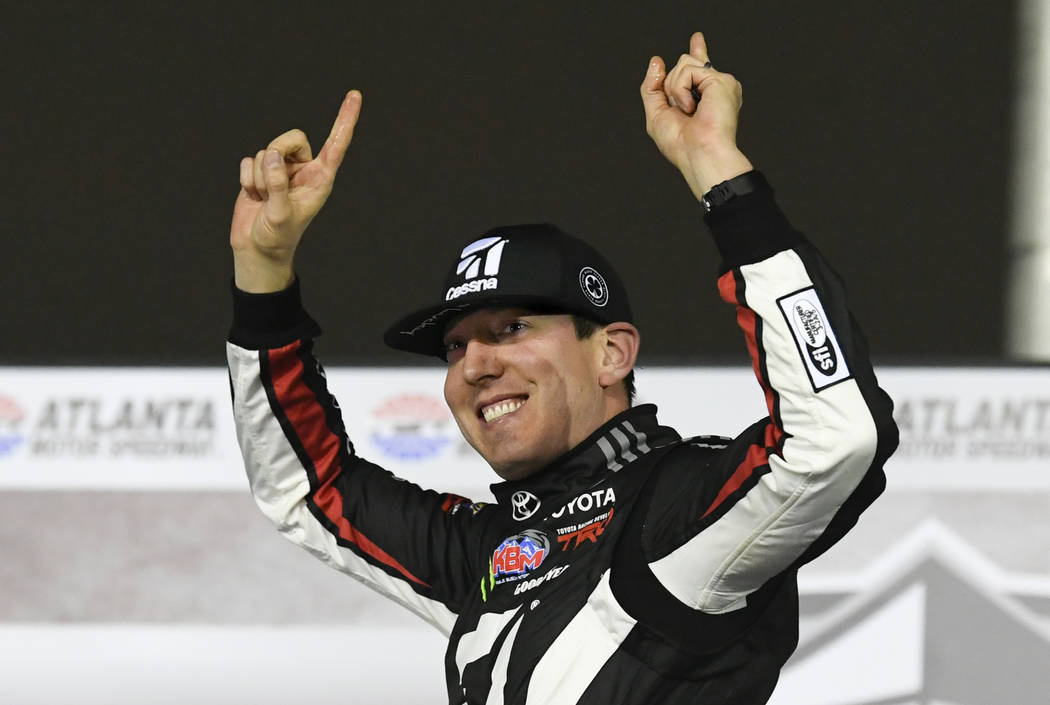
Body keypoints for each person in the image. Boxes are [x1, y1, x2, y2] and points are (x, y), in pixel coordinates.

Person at [226, 32, 898, 705]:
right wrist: (263, 277)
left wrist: (721, 176)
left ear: (612, 353)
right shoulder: (489, 551)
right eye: (455, 347)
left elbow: (833, 436)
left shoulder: (675, 507)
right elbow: (308, 490)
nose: (475, 366)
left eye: (511, 329)